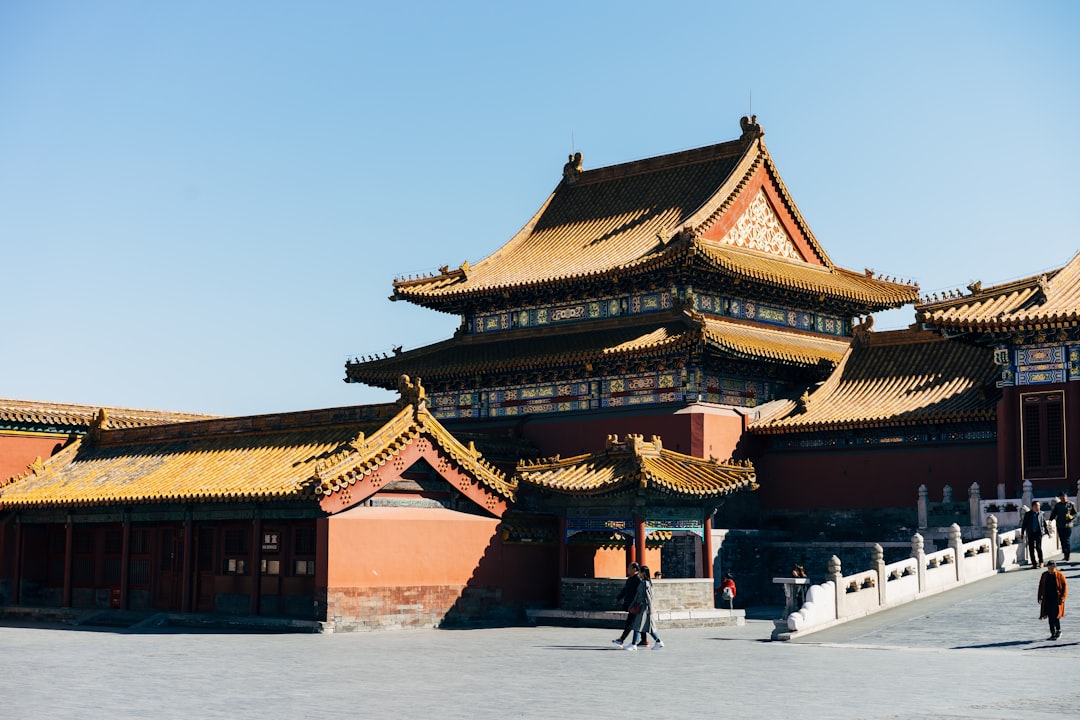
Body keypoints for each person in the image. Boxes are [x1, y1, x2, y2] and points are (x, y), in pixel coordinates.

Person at [623, 565, 664, 651]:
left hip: (643, 607)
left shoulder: (645, 583)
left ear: (643, 573)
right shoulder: (644, 582)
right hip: (643, 606)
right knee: (649, 627)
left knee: (637, 625)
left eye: (640, 572)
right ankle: (658, 641)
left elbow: (649, 597)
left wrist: (650, 608)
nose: (639, 574)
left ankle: (633, 644)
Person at [612, 562, 645, 647]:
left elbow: (641, 593)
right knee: (638, 623)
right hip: (631, 604)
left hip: (635, 605)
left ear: (634, 569)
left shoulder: (638, 580)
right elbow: (625, 591)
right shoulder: (630, 579)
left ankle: (622, 639)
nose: (627, 569)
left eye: (629, 568)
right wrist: (618, 598)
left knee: (630, 623)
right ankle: (644, 640)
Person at [1037, 560, 1068, 640]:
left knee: (1056, 615)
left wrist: (1063, 598)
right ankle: (1052, 632)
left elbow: (1065, 587)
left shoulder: (1060, 575)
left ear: (1055, 567)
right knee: (1050, 616)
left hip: (1056, 599)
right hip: (1047, 598)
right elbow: (1041, 586)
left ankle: (1058, 630)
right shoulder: (1044, 575)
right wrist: (1040, 596)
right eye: (1049, 568)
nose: (1050, 570)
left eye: (1052, 568)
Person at [1049, 492, 1076, 562]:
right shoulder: (1058, 505)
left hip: (1068, 525)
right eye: (1061, 497)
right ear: (1060, 498)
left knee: (1066, 540)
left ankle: (1068, 555)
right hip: (1060, 525)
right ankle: (1065, 554)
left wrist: (1071, 517)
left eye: (1064, 497)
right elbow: (1054, 513)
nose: (1063, 498)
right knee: (1062, 540)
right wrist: (1050, 520)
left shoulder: (1071, 504)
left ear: (1066, 497)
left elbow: (1075, 514)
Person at [1020, 501, 1045, 568]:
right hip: (1031, 533)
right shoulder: (1028, 514)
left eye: (1039, 506)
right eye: (1037, 506)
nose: (1038, 507)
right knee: (1031, 548)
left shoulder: (1041, 513)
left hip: (1038, 532)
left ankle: (1041, 561)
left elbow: (1044, 523)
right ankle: (1034, 563)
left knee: (1038, 547)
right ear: (1033, 506)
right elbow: (1024, 524)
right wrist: (1022, 533)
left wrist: (1047, 532)